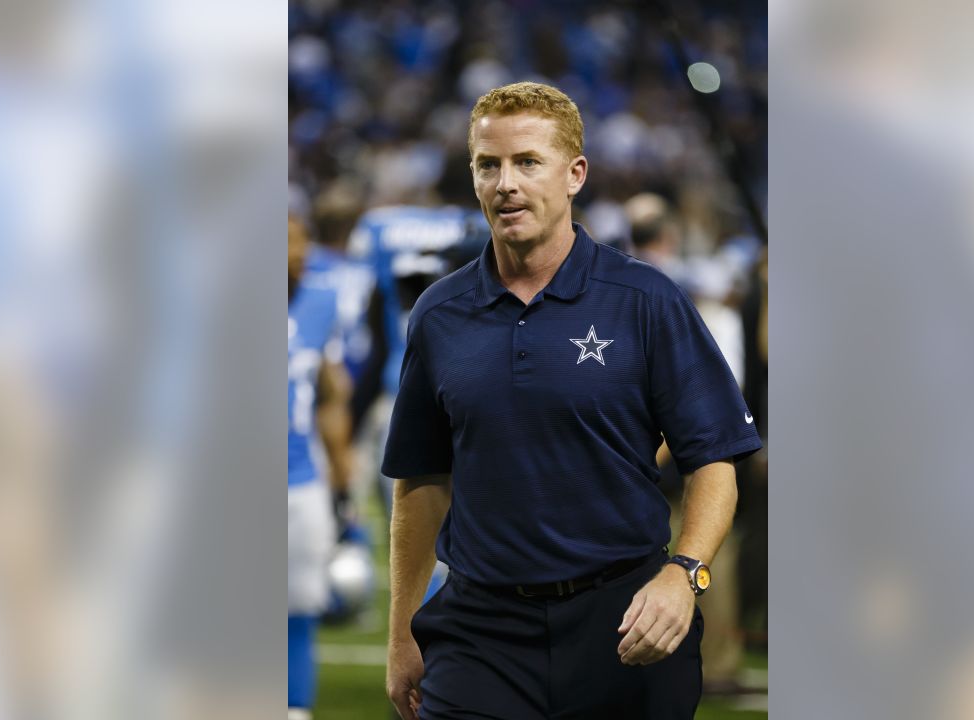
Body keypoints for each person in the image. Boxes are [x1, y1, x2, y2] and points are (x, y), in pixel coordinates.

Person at [382, 81, 762, 719]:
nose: (506, 183)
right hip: (481, 630)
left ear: (574, 173)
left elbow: (715, 458)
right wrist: (400, 635)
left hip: (625, 618)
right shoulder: (439, 313)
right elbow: (420, 481)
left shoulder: (646, 300)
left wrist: (684, 573)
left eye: (528, 162)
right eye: (488, 165)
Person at [287, 215, 354, 719]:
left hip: (300, 481)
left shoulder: (318, 302)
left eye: (300, 243)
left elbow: (330, 398)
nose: (297, 254)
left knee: (301, 610)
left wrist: (342, 481)